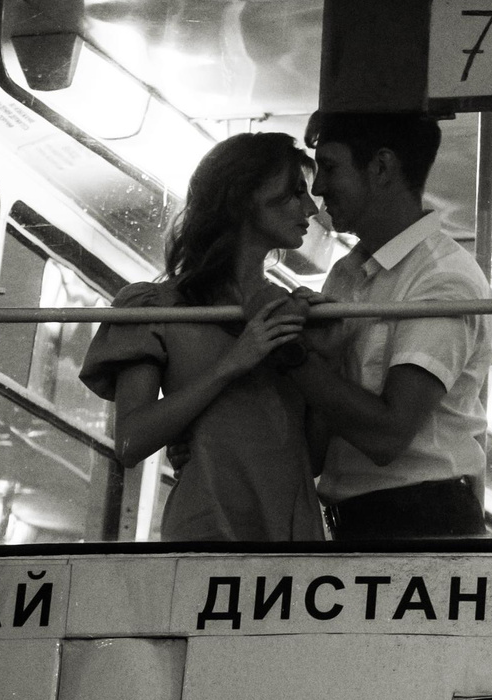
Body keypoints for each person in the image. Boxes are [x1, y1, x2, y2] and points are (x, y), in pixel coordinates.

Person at [81, 133, 324, 542]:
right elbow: (130, 441)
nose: (311, 208)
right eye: (295, 192)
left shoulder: (294, 311)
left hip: (292, 534)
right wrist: (230, 366)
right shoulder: (157, 307)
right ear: (244, 196)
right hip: (208, 528)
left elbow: (310, 454)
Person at [290, 111, 492, 540]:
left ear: (381, 167)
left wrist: (291, 357)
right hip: (358, 525)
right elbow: (314, 452)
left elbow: (387, 435)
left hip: (425, 523)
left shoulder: (443, 277)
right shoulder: (347, 274)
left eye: (329, 167)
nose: (319, 188)